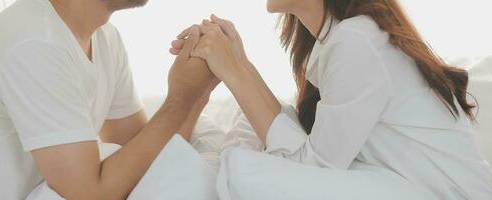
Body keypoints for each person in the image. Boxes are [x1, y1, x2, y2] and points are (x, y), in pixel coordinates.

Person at [170, 0, 492, 199]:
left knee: (244, 161)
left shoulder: (357, 41)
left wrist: (234, 72)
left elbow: (313, 168)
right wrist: (239, 61)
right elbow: (314, 147)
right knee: (247, 128)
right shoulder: (339, 41)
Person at [0, 0, 219, 199]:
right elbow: (90, 194)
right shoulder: (34, 42)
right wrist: (182, 97)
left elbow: (142, 151)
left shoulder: (105, 37)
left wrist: (199, 92)